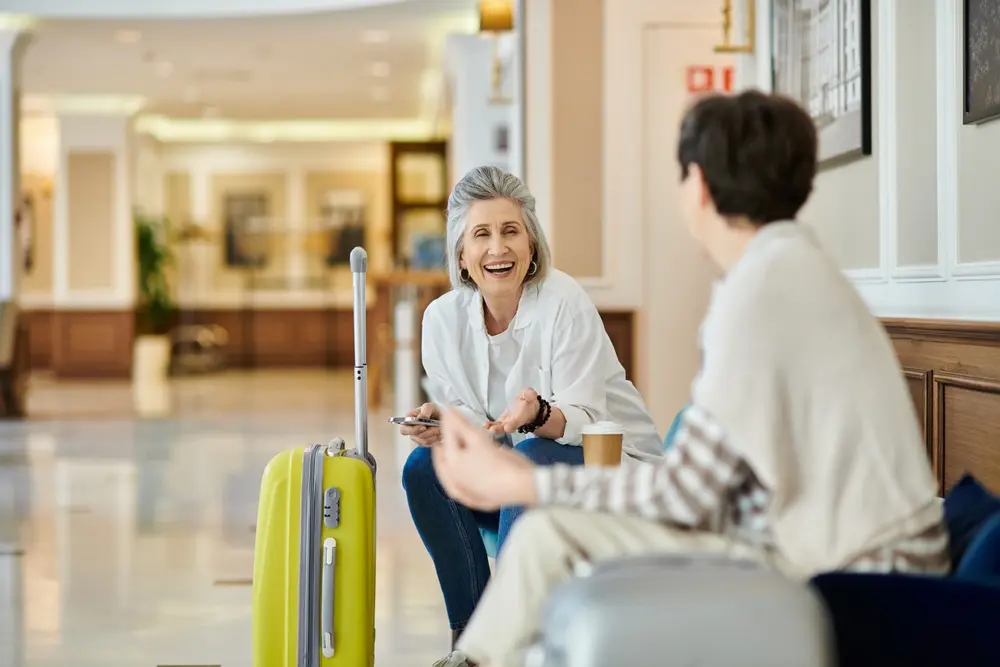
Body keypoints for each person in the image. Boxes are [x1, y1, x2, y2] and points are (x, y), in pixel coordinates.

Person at [428, 91, 950, 667]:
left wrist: (523, 484)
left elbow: (685, 496)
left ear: (697, 185)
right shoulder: (787, 269)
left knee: (546, 524)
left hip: (854, 572)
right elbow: (720, 479)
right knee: (545, 536)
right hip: (824, 540)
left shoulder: (759, 296)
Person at [398, 165, 663, 658]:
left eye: (510, 231)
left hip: (603, 466)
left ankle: (510, 641)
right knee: (422, 468)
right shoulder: (441, 320)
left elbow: (585, 420)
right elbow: (477, 425)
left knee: (535, 455)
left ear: (532, 245)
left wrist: (538, 413)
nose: (498, 248)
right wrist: (445, 421)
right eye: (481, 234)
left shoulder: (564, 302)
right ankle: (472, 640)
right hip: (516, 474)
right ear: (461, 253)